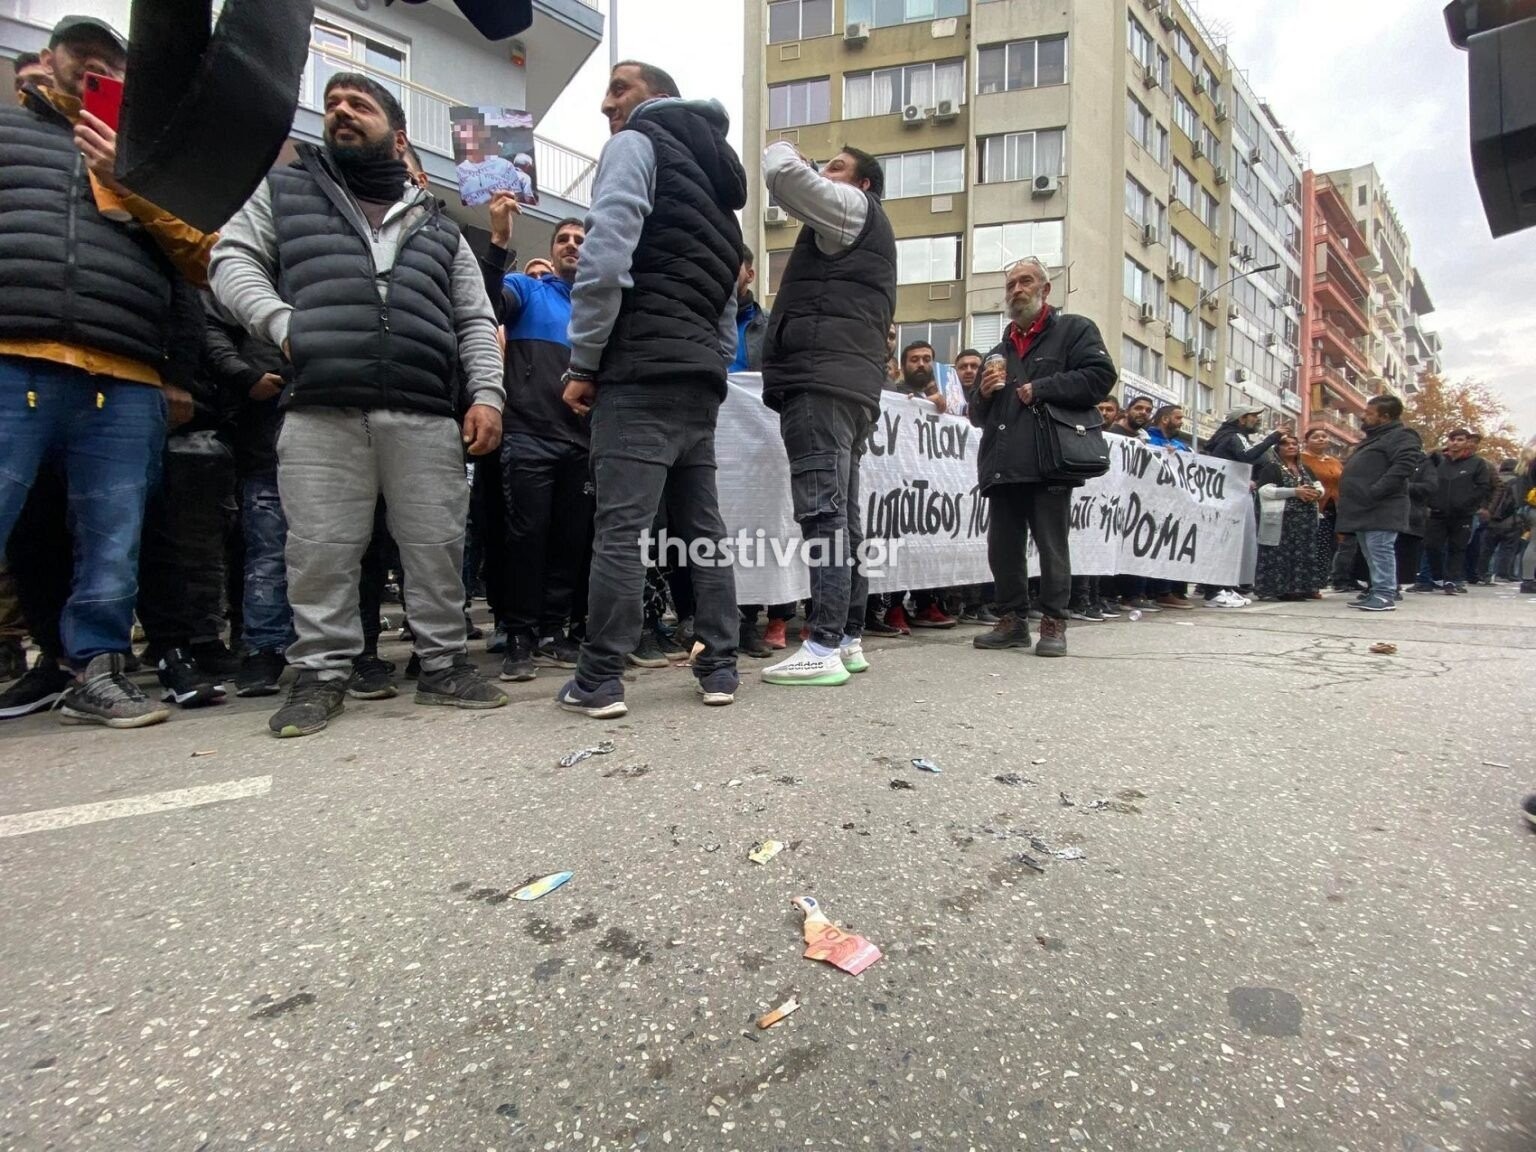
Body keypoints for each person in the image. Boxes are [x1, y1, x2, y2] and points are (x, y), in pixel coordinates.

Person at [211, 72, 508, 737]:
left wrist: (486, 393)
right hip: (321, 406)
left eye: (360, 105)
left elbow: (473, 320)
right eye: (333, 105)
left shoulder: (440, 223)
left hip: (425, 410)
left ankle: (443, 665)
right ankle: (321, 673)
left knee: (435, 544)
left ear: (398, 137)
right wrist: (282, 324)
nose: (341, 112)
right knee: (321, 547)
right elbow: (231, 260)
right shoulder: (285, 192)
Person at [0, 15, 219, 728]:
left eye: (108, 64)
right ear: (46, 60)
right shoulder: (10, 136)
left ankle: (97, 671)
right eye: (79, 56)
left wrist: (121, 183)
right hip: (13, 357)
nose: (92, 69)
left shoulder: (146, 163)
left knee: (114, 534)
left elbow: (201, 259)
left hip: (121, 370)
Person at [555, 61, 747, 718]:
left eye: (619, 90)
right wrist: (710, 363)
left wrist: (583, 360)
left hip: (637, 371)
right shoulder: (720, 195)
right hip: (697, 381)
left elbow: (604, 258)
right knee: (703, 534)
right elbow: (727, 301)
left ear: (658, 98)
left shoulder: (635, 145)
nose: (606, 106)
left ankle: (599, 677)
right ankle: (719, 666)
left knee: (621, 531)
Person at [752, 140, 895, 686]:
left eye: (836, 167)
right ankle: (849, 637)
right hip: (848, 388)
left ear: (860, 187)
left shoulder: (852, 212)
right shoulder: (866, 231)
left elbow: (783, 175)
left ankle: (823, 644)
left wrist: (786, 149)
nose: (823, 171)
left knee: (823, 515)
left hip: (820, 382)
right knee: (844, 518)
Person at [970, 258, 1116, 656]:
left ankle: (1053, 621)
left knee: (1051, 545)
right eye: (1011, 283)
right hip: (1002, 463)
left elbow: (1101, 376)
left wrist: (1044, 386)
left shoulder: (1074, 331)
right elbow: (977, 416)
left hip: (1049, 459)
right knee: (1003, 548)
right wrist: (981, 393)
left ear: (1045, 290)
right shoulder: (997, 351)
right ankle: (1012, 621)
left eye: (1026, 281)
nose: (1017, 289)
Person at [480, 193, 591, 683]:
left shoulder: (598, 308)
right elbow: (482, 301)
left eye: (580, 240)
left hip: (581, 445)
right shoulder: (526, 289)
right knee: (526, 540)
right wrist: (500, 239)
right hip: (527, 438)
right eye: (563, 239)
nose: (571, 246)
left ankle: (554, 631)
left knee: (569, 542)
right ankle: (519, 635)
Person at [730, 246, 794, 657]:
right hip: (710, 437)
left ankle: (747, 620)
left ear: (750, 274)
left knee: (752, 530)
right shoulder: (700, 316)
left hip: (756, 443)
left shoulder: (769, 327)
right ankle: (712, 618)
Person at [1334, 395, 1424, 612]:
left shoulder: (1401, 435)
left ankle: (1385, 594)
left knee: (1380, 550)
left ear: (1385, 416)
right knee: (1370, 553)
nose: (1364, 416)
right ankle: (1376, 590)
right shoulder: (1375, 438)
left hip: (1382, 506)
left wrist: (1377, 490)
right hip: (1363, 508)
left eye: (1369, 413)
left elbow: (1404, 465)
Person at [1422, 428, 1495, 594]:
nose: (1455, 443)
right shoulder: (1438, 460)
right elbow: (1426, 478)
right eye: (1452, 439)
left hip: (1463, 514)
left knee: (1457, 548)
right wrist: (1430, 501)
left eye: (1460, 439)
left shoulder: (1477, 463)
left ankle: (1451, 580)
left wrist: (1471, 504)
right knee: (1432, 545)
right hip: (1437, 512)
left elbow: (1483, 486)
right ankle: (1437, 576)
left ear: (1467, 442)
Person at [1253, 433, 1325, 601]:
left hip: (1305, 520)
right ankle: (1282, 589)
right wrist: (1294, 492)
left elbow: (1319, 487)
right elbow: (1264, 490)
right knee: (1282, 554)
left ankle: (1305, 588)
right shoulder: (1272, 467)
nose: (1291, 446)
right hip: (1283, 520)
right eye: (1286, 444)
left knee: (1305, 553)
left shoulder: (1305, 468)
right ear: (1278, 449)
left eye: (1294, 443)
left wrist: (1315, 493)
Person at [1300, 427, 1343, 579]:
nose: (1321, 439)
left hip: (1336, 508)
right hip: (1314, 506)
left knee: (1331, 545)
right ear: (1306, 441)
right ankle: (1311, 578)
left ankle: (1325, 577)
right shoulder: (1301, 459)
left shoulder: (1334, 461)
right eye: (1316, 437)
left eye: (1324, 436)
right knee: (1314, 543)